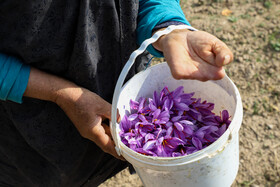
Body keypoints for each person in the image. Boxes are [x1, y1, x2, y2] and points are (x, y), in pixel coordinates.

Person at [0, 0, 233, 186]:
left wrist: (168, 27)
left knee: (104, 158)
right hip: (31, 121)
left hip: (119, 98)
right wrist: (62, 94)